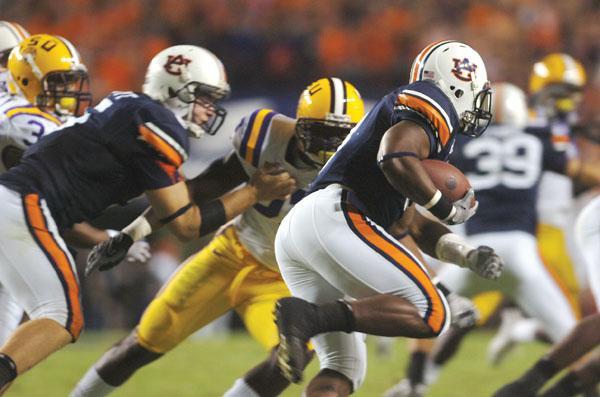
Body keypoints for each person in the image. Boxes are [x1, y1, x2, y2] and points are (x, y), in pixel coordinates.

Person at [0, 44, 295, 392]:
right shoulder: (158, 124)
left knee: (18, 341)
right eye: (204, 98)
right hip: (24, 205)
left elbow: (179, 199)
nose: (209, 111)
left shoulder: (134, 108)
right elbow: (186, 224)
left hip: (19, 205)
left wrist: (127, 235)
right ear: (177, 89)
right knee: (61, 316)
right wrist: (254, 192)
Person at [69, 77, 365, 397]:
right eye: (319, 132)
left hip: (289, 278)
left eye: (339, 135)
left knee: (291, 356)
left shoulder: (360, 169)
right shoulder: (266, 138)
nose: (327, 146)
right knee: (141, 344)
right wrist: (131, 234)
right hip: (230, 255)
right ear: (299, 124)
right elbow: (196, 193)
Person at [272, 40, 502, 397]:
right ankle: (308, 318)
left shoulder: (411, 125)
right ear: (460, 82)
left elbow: (408, 223)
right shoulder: (431, 100)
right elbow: (394, 157)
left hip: (305, 229)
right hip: (337, 216)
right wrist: (443, 204)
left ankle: (309, 319)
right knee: (433, 314)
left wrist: (466, 255)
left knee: (343, 368)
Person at [382, 81, 600, 397]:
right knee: (575, 340)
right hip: (523, 251)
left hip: (477, 252)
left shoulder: (464, 145)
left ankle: (415, 383)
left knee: (431, 306)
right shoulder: (537, 139)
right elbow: (578, 172)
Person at [0, 32, 151, 346]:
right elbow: (47, 212)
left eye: (72, 81)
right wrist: (105, 238)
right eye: (60, 82)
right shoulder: (29, 123)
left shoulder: (15, 102)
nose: (70, 91)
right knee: (61, 314)